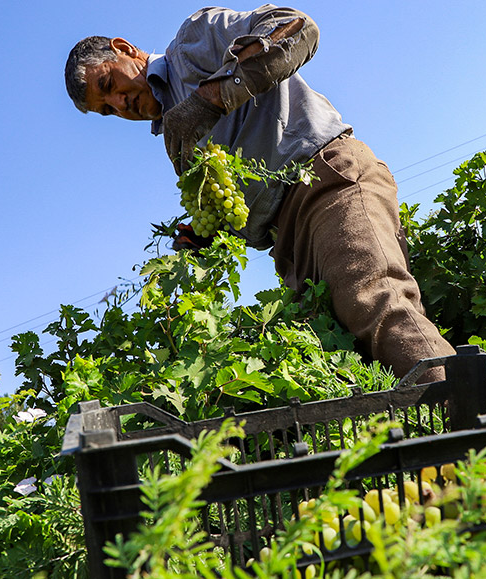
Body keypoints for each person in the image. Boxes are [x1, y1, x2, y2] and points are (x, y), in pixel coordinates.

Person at [65, 5, 455, 382]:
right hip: (287, 242)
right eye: (108, 111)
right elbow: (232, 210)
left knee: (372, 300)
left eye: (109, 84)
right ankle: (433, 440)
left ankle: (480, 430)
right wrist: (206, 233)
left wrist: (212, 97)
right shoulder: (176, 138)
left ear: (125, 49)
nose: (120, 104)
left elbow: (297, 27)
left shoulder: (193, 41)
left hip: (327, 181)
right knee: (341, 362)